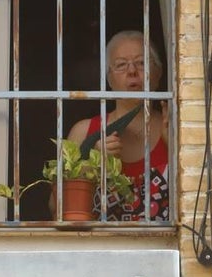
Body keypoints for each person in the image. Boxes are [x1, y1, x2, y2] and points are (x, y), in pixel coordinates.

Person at [66, 30, 170, 222]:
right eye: (121, 65)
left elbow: (202, 197)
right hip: (100, 249)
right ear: (109, 78)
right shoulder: (84, 132)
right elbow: (57, 208)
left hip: (162, 248)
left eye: (141, 63)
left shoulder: (175, 127)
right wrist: (93, 164)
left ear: (159, 72)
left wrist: (173, 146)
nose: (132, 71)